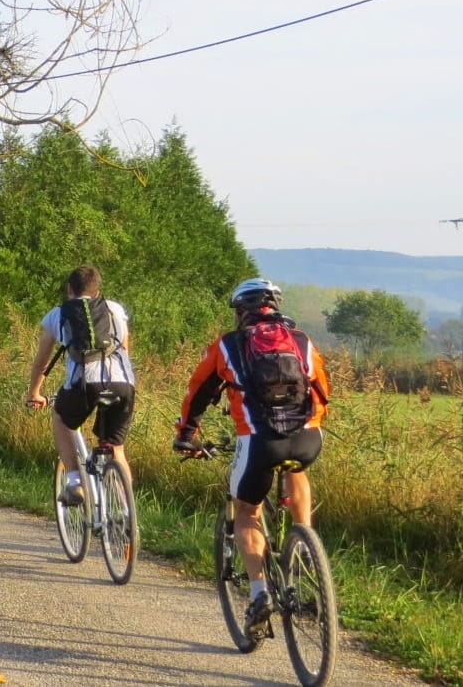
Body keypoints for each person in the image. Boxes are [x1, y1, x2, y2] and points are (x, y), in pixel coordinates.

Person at [174, 277, 330, 642]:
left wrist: (186, 435)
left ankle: (259, 593)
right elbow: (322, 389)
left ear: (241, 311)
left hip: (260, 441)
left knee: (247, 511)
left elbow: (197, 392)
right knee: (296, 467)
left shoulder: (227, 345)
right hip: (308, 437)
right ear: (275, 305)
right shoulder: (303, 341)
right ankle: (303, 539)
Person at [24, 265, 136, 504]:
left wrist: (34, 392)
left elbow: (41, 362)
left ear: (69, 290)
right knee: (116, 449)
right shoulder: (115, 309)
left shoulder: (58, 314)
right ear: (97, 291)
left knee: (61, 419)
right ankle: (127, 514)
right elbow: (124, 350)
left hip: (85, 384)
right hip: (123, 383)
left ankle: (75, 481)